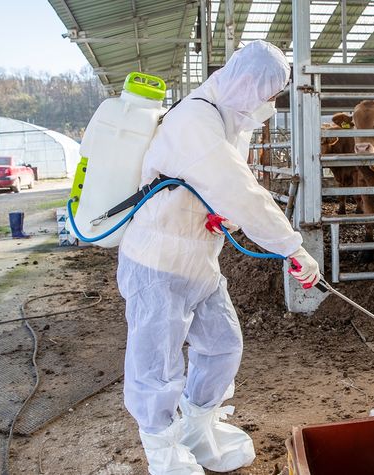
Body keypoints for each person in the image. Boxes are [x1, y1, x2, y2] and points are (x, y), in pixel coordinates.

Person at [116, 40, 320, 474]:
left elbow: (213, 189)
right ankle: (164, 454)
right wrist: (291, 246)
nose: (267, 104)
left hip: (199, 262)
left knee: (223, 345)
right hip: (157, 261)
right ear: (248, 83)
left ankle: (197, 431)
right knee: (158, 366)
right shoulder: (195, 118)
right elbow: (239, 189)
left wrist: (219, 216)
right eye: (267, 94)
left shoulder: (226, 119)